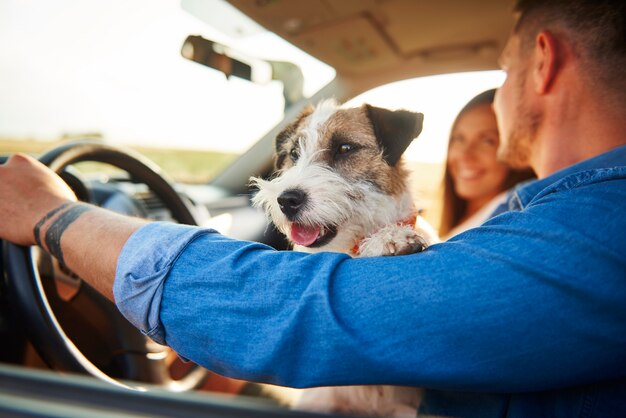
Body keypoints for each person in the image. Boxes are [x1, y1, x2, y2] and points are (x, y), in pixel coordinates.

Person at [0, 0, 625, 416]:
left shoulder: (598, 232)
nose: (496, 95)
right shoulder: (544, 218)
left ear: (541, 63)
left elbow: (319, 313)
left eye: (504, 66)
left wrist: (57, 218)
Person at [440, 88, 535, 239]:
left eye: (487, 141)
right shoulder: (470, 217)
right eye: (459, 138)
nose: (465, 155)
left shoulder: (507, 218)